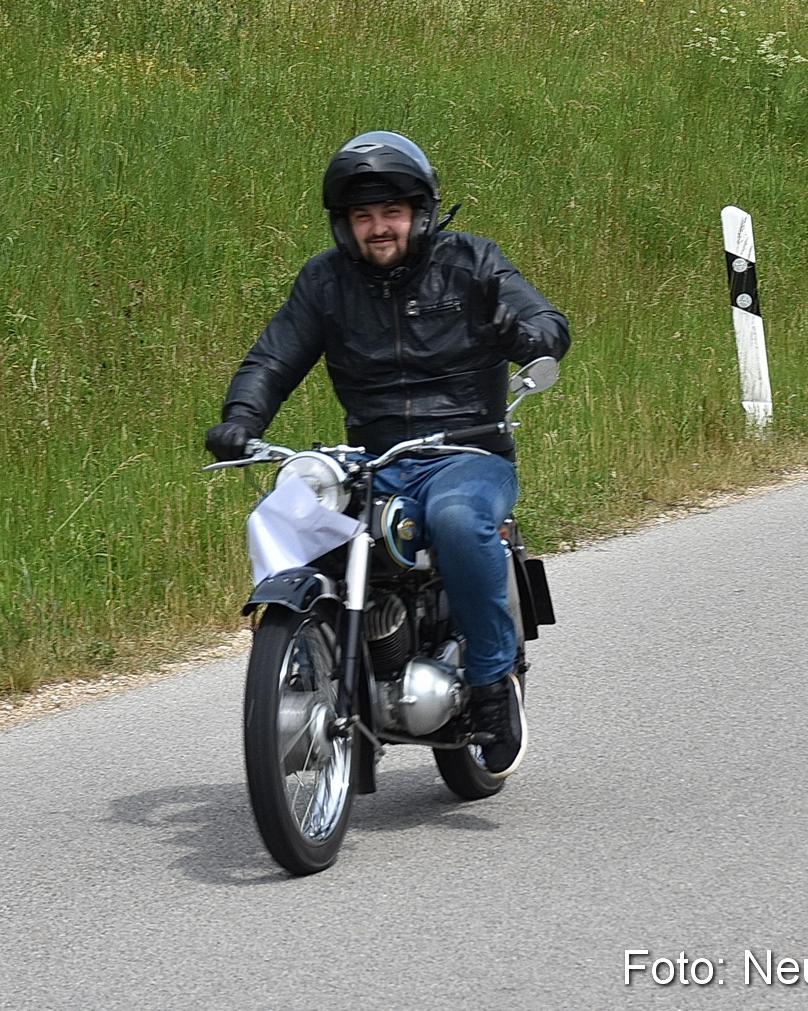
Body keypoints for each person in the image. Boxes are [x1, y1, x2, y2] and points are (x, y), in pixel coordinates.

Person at [206, 131, 570, 773]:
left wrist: (521, 331)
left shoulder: (473, 264)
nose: (378, 227)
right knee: (299, 514)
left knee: (457, 520)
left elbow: (547, 326)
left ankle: (489, 689)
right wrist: (241, 417)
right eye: (363, 215)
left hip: (469, 451)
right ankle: (314, 670)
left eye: (391, 212)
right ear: (345, 224)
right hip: (375, 460)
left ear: (419, 212)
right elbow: (274, 356)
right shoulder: (325, 282)